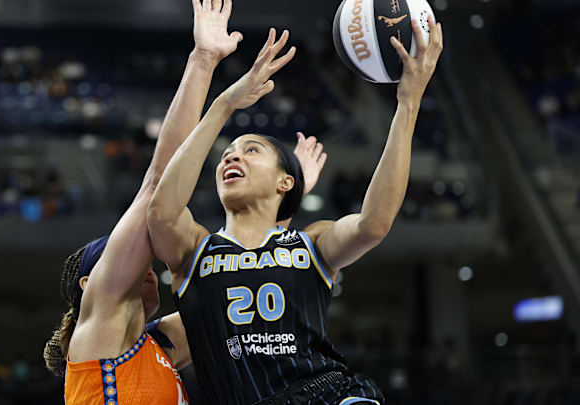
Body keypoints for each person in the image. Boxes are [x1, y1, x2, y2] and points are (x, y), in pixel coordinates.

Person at [147, 16, 444, 405]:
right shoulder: (194, 248)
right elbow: (161, 210)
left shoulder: (311, 243)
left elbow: (374, 224)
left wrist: (408, 102)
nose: (231, 156)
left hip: (327, 393)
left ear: (284, 182)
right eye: (227, 154)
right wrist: (223, 105)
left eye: (251, 150)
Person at [42, 1, 327, 403]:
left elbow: (242, 291)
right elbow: (157, 185)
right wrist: (204, 60)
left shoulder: (155, 348)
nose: (146, 259)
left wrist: (281, 198)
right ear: (91, 284)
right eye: (128, 254)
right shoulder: (100, 324)